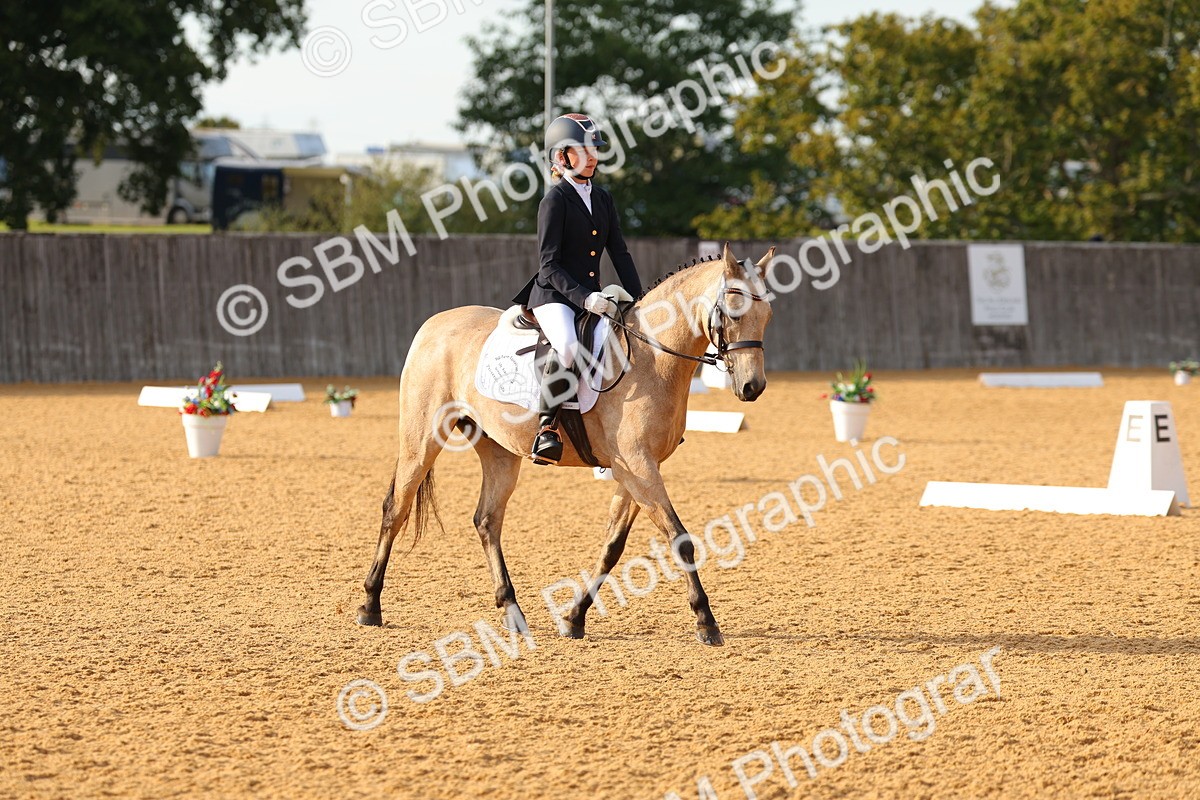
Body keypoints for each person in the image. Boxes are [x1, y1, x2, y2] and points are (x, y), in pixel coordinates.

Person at [513, 113, 644, 465]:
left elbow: (619, 252)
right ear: (561, 157)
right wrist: (584, 297)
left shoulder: (603, 199)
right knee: (569, 347)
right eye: (583, 150)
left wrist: (640, 298)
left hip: (594, 295)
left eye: (594, 149)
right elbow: (549, 265)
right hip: (554, 296)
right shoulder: (554, 201)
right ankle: (547, 428)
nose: (592, 156)